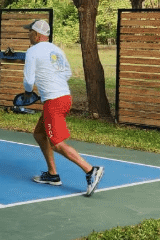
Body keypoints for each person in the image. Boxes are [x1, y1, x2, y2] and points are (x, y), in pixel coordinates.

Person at [22, 19, 104, 197]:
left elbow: (28, 82)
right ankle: (52, 175)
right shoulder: (56, 50)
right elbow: (66, 73)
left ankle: (91, 170)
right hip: (65, 98)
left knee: (57, 143)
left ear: (36, 34)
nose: (28, 34)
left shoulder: (32, 51)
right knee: (39, 134)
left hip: (53, 101)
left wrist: (28, 92)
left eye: (30, 32)